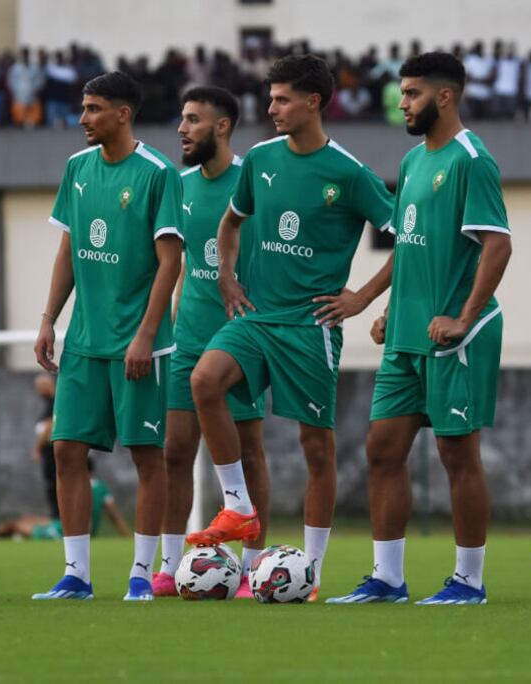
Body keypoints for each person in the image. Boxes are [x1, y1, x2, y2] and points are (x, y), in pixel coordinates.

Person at [184, 55, 395, 602]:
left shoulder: (348, 172)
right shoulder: (260, 159)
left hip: (310, 327)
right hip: (256, 318)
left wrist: (363, 297)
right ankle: (238, 507)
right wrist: (227, 278)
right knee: (205, 381)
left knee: (316, 450)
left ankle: (311, 572)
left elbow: (405, 239)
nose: (271, 108)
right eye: (271, 98)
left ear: (313, 103)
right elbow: (232, 221)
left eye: (281, 99)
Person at [327, 52, 511, 606]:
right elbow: (410, 246)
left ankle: (469, 581)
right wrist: (373, 300)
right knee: (382, 449)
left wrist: (463, 318)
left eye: (411, 94)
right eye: (402, 93)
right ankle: (387, 579)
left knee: (458, 456)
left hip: (454, 337)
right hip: (407, 336)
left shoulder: (471, 160)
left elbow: (498, 246)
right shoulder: (411, 163)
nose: (402, 103)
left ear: (445, 96)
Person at [31, 71, 183, 602]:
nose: (82, 118)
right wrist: (50, 319)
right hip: (83, 343)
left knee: (146, 456)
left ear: (123, 113)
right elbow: (68, 251)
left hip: (139, 345)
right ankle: (76, 575)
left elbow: (171, 263)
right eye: (83, 106)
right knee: (66, 450)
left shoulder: (159, 173)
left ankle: (141, 574)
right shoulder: (76, 168)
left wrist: (144, 335)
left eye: (93, 108)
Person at [149, 87, 268, 599]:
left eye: (193, 119)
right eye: (182, 118)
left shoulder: (254, 183)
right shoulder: (178, 186)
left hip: (238, 337)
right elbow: (174, 266)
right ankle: (171, 565)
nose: (182, 128)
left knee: (249, 450)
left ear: (222, 127)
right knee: (175, 452)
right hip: (187, 336)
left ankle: (252, 568)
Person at [0, 460, 129, 541]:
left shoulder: (79, 486)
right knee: (25, 518)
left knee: (18, 525)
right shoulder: (102, 488)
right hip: (64, 525)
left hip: (65, 532)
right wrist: (127, 537)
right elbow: (114, 516)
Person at [32, 372, 60, 534]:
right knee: (51, 485)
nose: (38, 390)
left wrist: (37, 447)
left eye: (40, 386)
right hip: (48, 451)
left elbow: (50, 426)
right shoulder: (48, 403)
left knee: (54, 485)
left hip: (51, 450)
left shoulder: (54, 402)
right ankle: (56, 520)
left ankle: (58, 521)